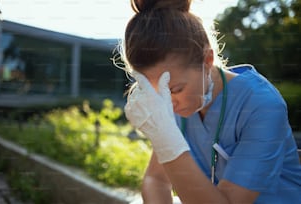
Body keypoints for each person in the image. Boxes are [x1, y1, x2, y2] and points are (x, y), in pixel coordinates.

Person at [116, 0, 301, 203]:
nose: (170, 104)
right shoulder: (176, 106)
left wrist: (168, 142)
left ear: (207, 60)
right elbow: (155, 180)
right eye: (157, 95)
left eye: (176, 89)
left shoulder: (262, 105)